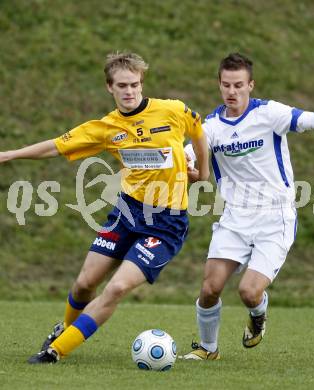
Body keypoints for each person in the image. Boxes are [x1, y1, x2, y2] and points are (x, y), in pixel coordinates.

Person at [0, 52, 209, 364]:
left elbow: (199, 131)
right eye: (122, 85)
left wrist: (202, 172)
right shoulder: (106, 128)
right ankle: (64, 328)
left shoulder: (172, 110)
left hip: (165, 224)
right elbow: (56, 146)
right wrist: (9, 154)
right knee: (85, 283)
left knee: (116, 288)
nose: (130, 91)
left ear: (142, 84)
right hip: (126, 213)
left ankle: (55, 351)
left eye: (135, 84)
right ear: (109, 87)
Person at [182, 52, 314, 360]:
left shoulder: (269, 114)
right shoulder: (211, 128)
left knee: (248, 292)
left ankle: (258, 314)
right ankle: (208, 349)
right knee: (210, 287)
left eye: (239, 85)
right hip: (234, 218)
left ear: (251, 85)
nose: (232, 91)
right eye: (226, 85)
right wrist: (185, 172)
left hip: (275, 218)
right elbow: (188, 160)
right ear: (219, 85)